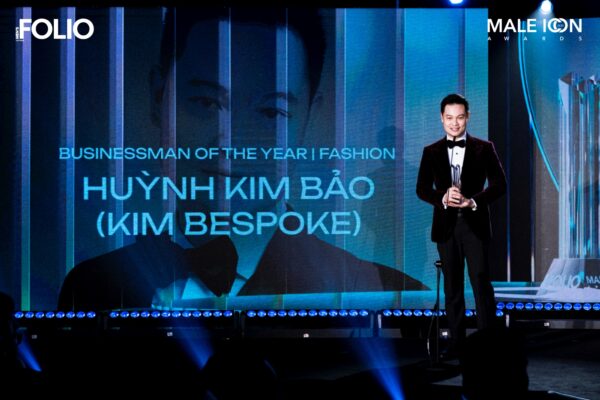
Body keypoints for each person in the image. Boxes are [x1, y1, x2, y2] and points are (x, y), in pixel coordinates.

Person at [58, 9, 427, 311]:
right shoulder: (90, 287)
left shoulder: (389, 294)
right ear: (159, 96)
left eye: (271, 112)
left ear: (309, 118)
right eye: (207, 103)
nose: (232, 143)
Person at [416, 94, 506, 358]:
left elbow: (500, 184)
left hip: (474, 225)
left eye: (459, 117)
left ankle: (488, 344)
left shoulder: (484, 148)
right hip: (446, 227)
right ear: (441, 118)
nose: (454, 123)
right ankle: (457, 343)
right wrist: (443, 197)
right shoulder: (431, 151)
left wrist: (473, 201)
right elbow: (422, 188)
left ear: (468, 117)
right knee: (452, 286)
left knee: (480, 283)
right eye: (449, 118)